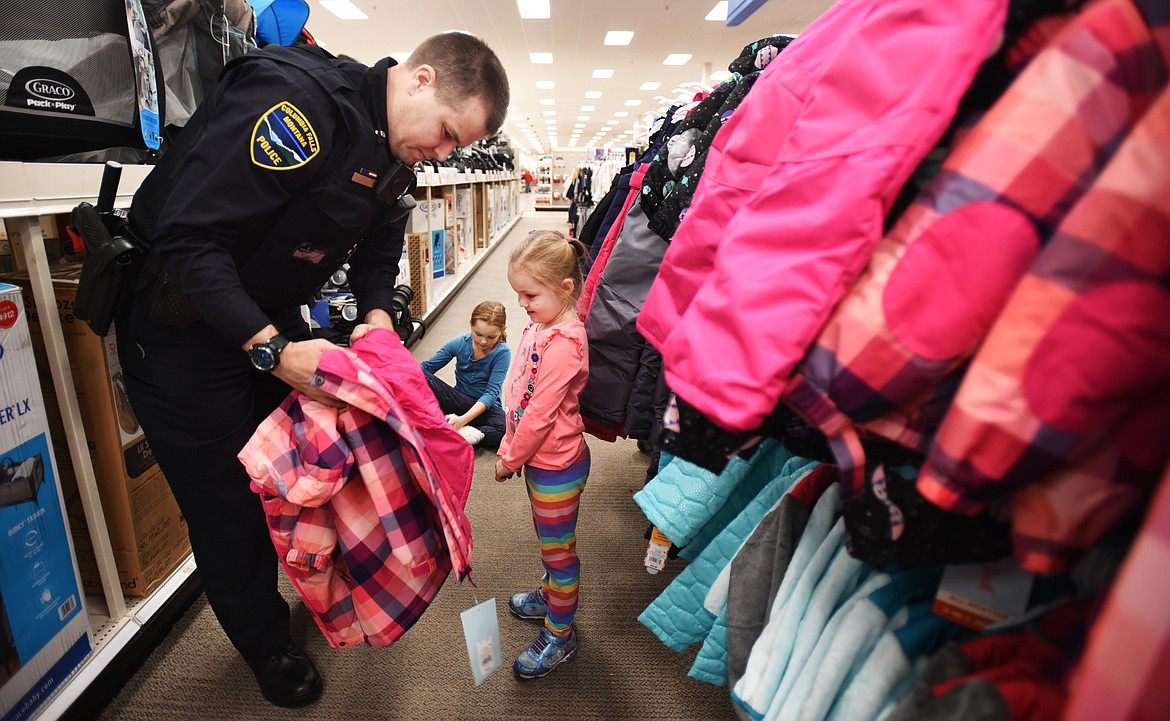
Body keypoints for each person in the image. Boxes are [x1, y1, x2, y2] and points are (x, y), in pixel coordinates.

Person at [114, 33, 509, 708]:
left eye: (456, 148)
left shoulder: (391, 150)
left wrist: (378, 311)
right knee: (229, 505)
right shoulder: (296, 104)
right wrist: (269, 346)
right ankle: (267, 643)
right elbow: (189, 238)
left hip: (264, 314)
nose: (445, 153)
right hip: (179, 328)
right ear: (417, 80)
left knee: (318, 457)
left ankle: (320, 576)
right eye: (446, 133)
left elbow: (383, 239)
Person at [494, 230, 591, 679]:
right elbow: (518, 384)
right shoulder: (540, 324)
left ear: (565, 289)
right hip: (538, 459)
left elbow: (539, 415)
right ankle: (550, 593)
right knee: (547, 537)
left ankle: (561, 632)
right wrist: (508, 439)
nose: (522, 304)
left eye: (529, 294)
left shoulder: (566, 345)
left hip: (557, 464)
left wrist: (510, 457)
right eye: (518, 294)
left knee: (559, 551)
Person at [420, 300, 510, 448]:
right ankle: (464, 433)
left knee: (504, 429)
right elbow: (427, 367)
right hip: (459, 401)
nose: (483, 341)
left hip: (486, 409)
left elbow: (491, 393)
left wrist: (462, 420)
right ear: (471, 324)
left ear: (502, 330)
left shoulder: (502, 353)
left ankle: (453, 429)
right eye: (478, 334)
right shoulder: (459, 342)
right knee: (420, 374)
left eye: (491, 337)